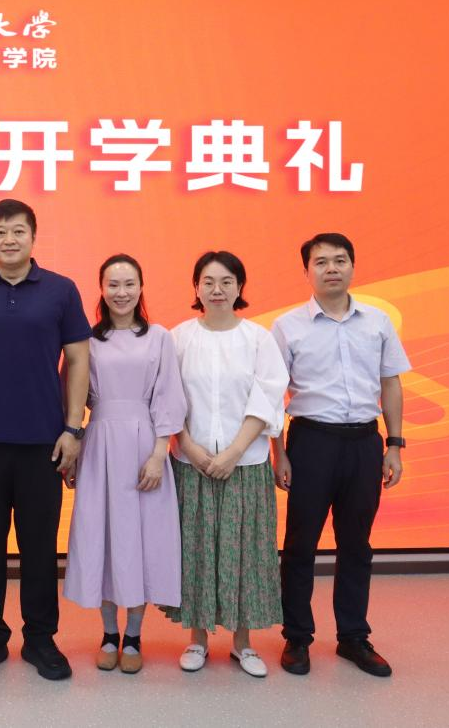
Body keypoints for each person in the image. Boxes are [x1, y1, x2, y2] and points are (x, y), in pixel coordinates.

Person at [0, 199, 91, 681]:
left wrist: (73, 428)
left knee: (39, 547)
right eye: (0, 232)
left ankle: (40, 638)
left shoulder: (61, 290)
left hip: (43, 442)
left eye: (18, 231)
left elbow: (78, 361)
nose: (9, 239)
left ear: (33, 237)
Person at [272, 233, 409, 678]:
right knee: (300, 545)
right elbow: (272, 395)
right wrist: (279, 452)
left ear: (352, 266)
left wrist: (394, 444)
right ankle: (297, 636)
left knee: (356, 544)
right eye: (321, 262)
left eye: (340, 260)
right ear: (307, 271)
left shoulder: (377, 322)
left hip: (365, 443)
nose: (331, 268)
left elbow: (391, 383)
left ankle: (353, 637)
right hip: (311, 442)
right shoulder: (287, 326)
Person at [167, 251, 288, 678]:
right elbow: (167, 398)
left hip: (246, 462)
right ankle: (197, 639)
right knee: (197, 550)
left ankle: (243, 643)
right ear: (196, 288)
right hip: (192, 462)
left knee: (245, 552)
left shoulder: (258, 339)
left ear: (240, 287)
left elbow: (268, 396)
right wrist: (189, 446)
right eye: (208, 282)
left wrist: (234, 451)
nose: (217, 290)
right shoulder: (178, 338)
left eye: (226, 281)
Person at [62, 253, 186, 674]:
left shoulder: (159, 337)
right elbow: (72, 397)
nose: (121, 292)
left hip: (144, 445)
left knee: (140, 539)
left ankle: (133, 635)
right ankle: (108, 633)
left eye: (129, 283)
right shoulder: (85, 340)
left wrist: (159, 453)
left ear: (141, 287)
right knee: (103, 537)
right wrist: (74, 448)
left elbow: (168, 396)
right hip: (99, 443)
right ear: (101, 289)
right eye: (113, 284)